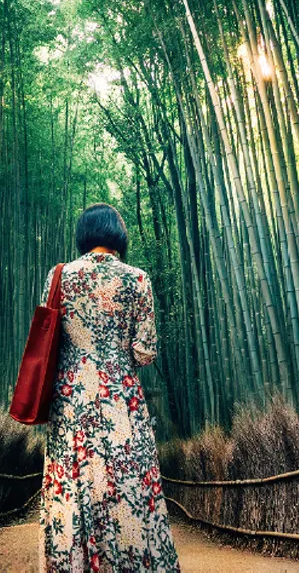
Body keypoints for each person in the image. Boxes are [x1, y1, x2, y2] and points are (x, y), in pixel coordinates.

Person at [38, 203, 181, 572]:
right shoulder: (137, 279)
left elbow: (48, 339)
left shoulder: (60, 277)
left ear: (83, 235)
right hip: (121, 401)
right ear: (118, 235)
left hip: (71, 402)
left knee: (74, 488)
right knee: (127, 486)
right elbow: (145, 351)